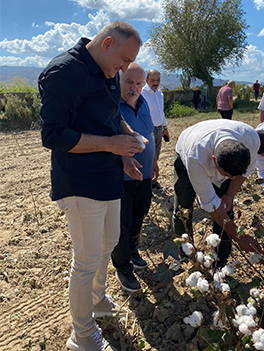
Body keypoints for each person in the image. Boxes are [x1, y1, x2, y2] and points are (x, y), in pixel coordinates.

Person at [40, 21, 143, 351]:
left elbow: (113, 116)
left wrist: (125, 145)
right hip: (79, 182)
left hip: (108, 175)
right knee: (86, 259)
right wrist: (113, 145)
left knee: (109, 240)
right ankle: (82, 335)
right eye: (125, 60)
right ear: (108, 43)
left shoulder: (107, 70)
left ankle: (97, 301)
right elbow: (53, 135)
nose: (125, 69)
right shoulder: (62, 72)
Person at [173, 120, 264, 268]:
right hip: (186, 152)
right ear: (214, 160)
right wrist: (238, 237)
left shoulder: (251, 140)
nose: (232, 179)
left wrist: (229, 195)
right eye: (227, 175)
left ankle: (219, 261)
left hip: (215, 146)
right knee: (182, 210)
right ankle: (185, 253)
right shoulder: (196, 156)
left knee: (226, 209)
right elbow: (210, 205)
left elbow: (244, 173)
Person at [111, 63, 154, 293]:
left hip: (145, 175)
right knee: (122, 225)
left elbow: (148, 134)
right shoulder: (111, 108)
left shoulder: (144, 102)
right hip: (122, 179)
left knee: (139, 216)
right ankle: (122, 267)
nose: (134, 88)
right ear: (119, 81)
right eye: (129, 82)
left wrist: (153, 162)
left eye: (138, 83)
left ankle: (133, 251)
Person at [141, 68, 169, 189]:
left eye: (158, 80)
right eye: (152, 80)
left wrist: (165, 127)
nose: (155, 83)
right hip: (148, 130)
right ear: (146, 80)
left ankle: (152, 181)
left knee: (156, 156)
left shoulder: (159, 93)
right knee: (148, 156)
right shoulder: (142, 94)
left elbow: (160, 111)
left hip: (158, 129)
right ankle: (147, 183)